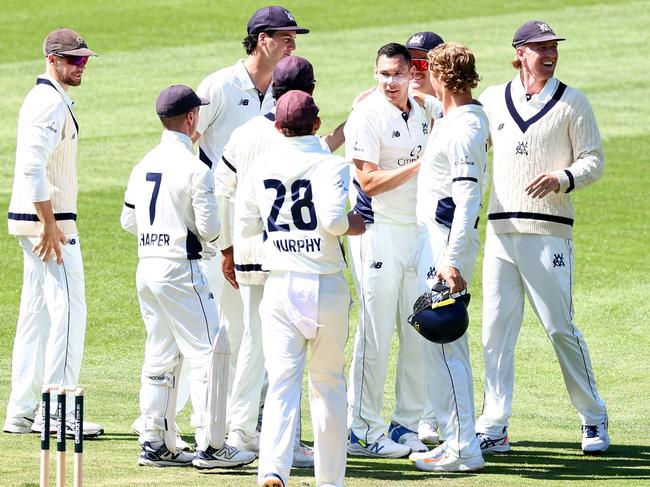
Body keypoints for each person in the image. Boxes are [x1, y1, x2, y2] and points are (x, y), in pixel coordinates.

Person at [474, 20, 609, 455]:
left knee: (560, 327)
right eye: (539, 47)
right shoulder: (493, 99)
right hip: (500, 232)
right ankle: (494, 425)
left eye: (553, 47)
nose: (549, 54)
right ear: (519, 53)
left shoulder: (573, 103)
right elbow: (471, 141)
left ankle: (593, 419)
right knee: (495, 332)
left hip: (548, 233)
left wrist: (563, 176)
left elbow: (594, 160)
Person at [120, 85, 256, 469]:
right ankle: (212, 447)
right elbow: (211, 230)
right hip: (181, 269)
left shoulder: (143, 162)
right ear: (192, 118)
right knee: (212, 350)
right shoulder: (196, 169)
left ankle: (155, 441)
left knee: (161, 354)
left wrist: (159, 230)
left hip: (147, 265)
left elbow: (128, 220)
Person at [238, 90, 365, 487]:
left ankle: (273, 470)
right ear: (316, 124)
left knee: (281, 384)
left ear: (277, 126)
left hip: (280, 284)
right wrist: (354, 222)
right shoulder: (331, 164)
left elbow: (244, 225)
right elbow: (333, 220)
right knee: (327, 384)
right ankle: (330, 481)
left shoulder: (261, 165)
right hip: (325, 284)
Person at [194, 4, 309, 430]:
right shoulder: (221, 86)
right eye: (286, 36)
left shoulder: (284, 92)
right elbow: (186, 135)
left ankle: (251, 421)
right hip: (221, 231)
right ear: (263, 39)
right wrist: (216, 234)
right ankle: (214, 422)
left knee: (259, 331)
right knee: (230, 330)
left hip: (266, 233)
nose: (292, 43)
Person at [4, 28, 103, 438]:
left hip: (40, 223)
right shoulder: (48, 103)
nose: (81, 66)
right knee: (68, 312)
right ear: (51, 59)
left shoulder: (48, 98)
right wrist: (49, 223)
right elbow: (32, 167)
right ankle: (57, 413)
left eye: (83, 59)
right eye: (73, 60)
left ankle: (22, 411)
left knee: (37, 315)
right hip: (50, 225)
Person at [345, 43, 430, 458]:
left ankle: (406, 425)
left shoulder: (425, 109)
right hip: (376, 233)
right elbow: (369, 182)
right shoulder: (367, 115)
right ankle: (361, 428)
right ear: (375, 74)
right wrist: (421, 164)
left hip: (417, 232)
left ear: (412, 73)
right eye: (383, 74)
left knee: (417, 331)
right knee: (375, 333)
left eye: (397, 74)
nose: (390, 82)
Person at [408, 42, 488, 472]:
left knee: (447, 343)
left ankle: (464, 449)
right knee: (437, 344)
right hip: (438, 242)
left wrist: (451, 260)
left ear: (440, 77)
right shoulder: (458, 117)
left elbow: (468, 198)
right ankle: (452, 438)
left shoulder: (463, 129)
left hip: (445, 244)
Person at [404, 30, 444, 446]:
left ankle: (433, 417)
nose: (415, 69)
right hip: (399, 230)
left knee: (433, 321)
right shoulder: (397, 106)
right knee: (405, 323)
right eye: (409, 60)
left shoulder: (454, 113)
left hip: (437, 231)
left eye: (423, 61)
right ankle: (412, 416)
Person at [405, 31, 444, 123]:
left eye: (421, 63)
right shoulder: (393, 101)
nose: (413, 69)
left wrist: (429, 102)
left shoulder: (454, 101)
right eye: (409, 62)